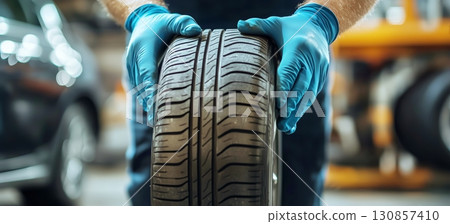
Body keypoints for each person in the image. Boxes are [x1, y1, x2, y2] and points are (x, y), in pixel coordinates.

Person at [99, 0, 377, 205]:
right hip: (165, 55)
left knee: (295, 197)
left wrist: (322, 16)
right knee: (156, 196)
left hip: (290, 49)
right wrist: (140, 11)